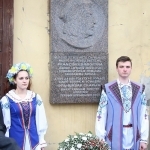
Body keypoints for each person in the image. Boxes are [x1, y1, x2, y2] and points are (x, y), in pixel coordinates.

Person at [95, 56, 149, 150]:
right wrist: (101, 138)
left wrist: (144, 139)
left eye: (127, 67)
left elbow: (143, 115)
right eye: (122, 66)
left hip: (134, 135)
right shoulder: (107, 89)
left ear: (131, 68)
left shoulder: (140, 89)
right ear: (117, 68)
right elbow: (101, 114)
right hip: (113, 135)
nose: (125, 69)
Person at [1, 62, 48, 150]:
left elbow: (41, 120)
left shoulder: (36, 98)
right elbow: (5, 124)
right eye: (21, 78)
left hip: (34, 141)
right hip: (15, 140)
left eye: (27, 78)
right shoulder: (7, 100)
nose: (24, 80)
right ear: (14, 80)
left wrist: (41, 141)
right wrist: (6, 143)